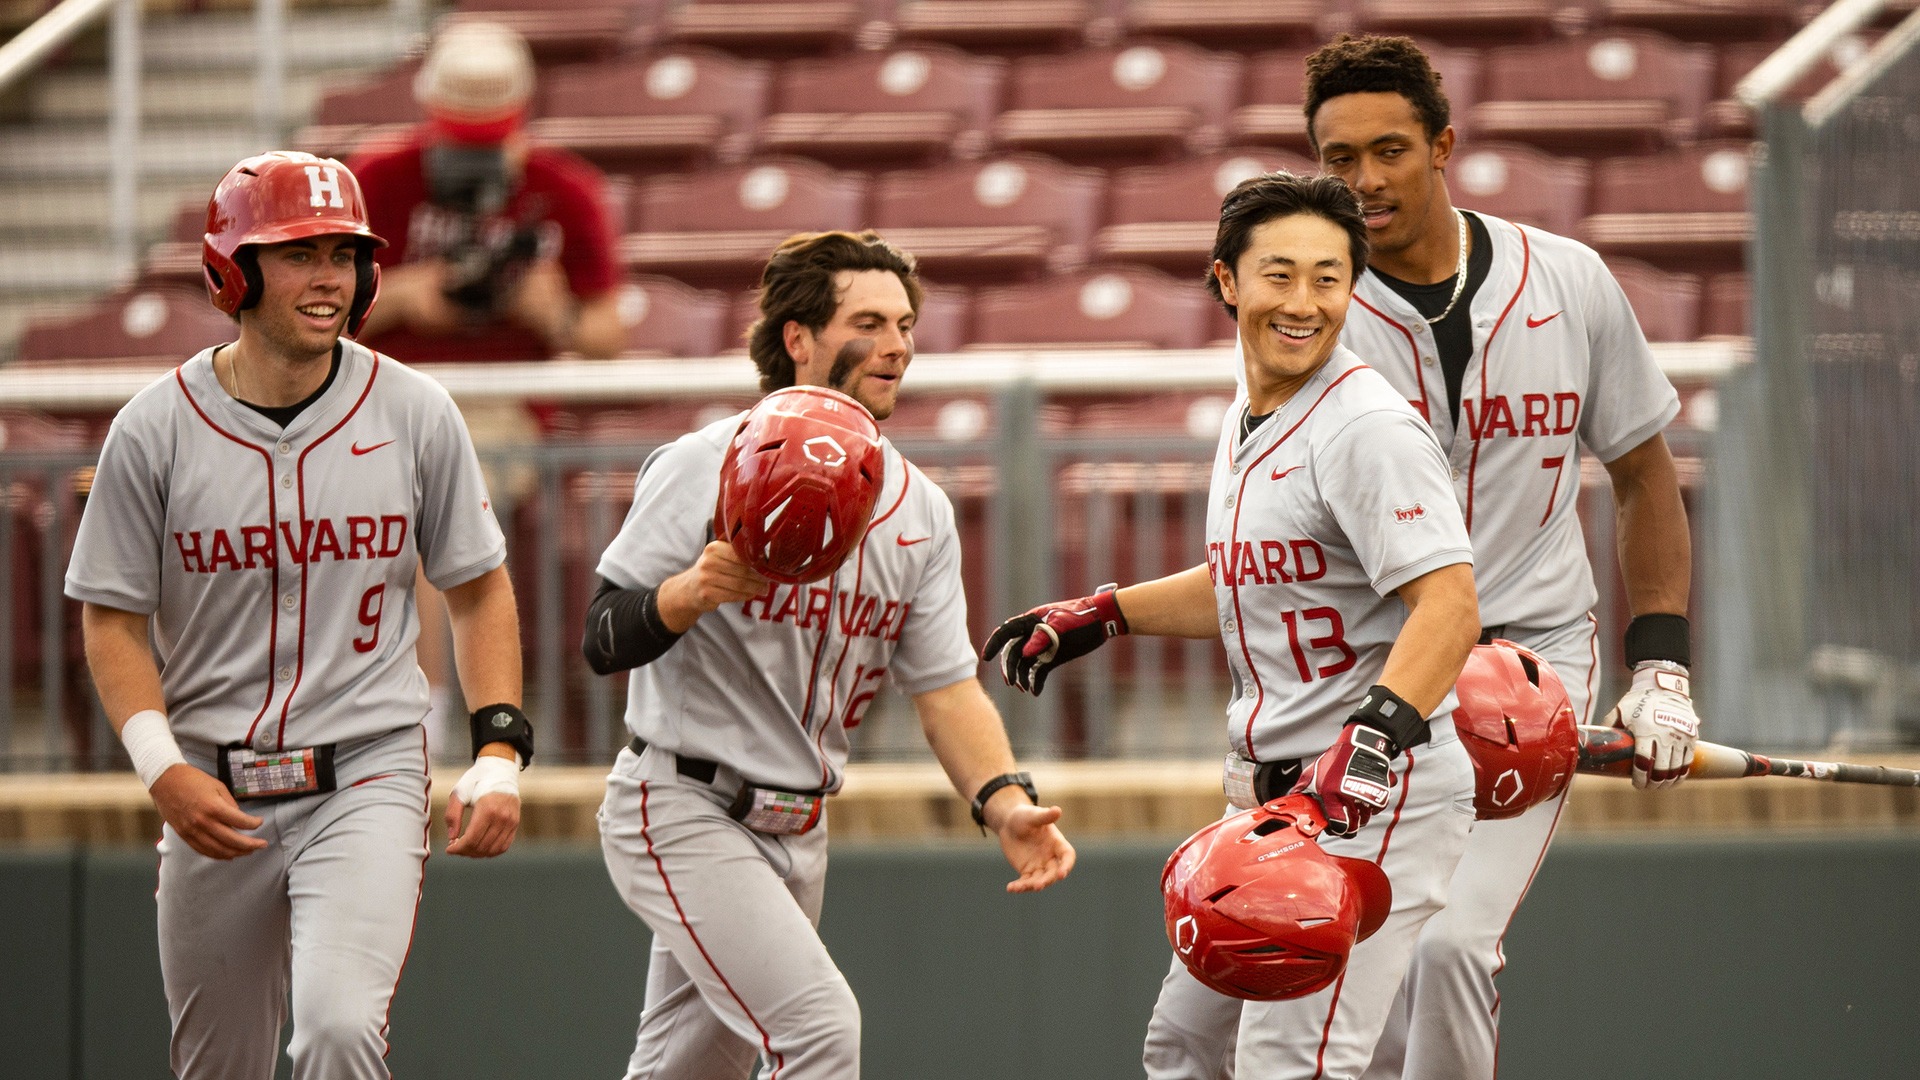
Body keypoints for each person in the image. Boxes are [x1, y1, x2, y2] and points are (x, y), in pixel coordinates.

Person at [1140, 35, 1704, 1080]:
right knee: (1323, 969)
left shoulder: (1568, 279)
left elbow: (1641, 471)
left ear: (1444, 146)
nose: (1364, 180)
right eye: (1339, 157)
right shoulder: (1315, 315)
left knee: (1448, 949)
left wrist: (1661, 660)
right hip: (1387, 674)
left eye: (1389, 150)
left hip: (1534, 668)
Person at [985, 172, 1482, 1076]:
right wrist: (1108, 613)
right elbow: (1252, 578)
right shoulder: (1251, 415)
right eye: (1279, 274)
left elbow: (1448, 603)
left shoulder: (1367, 426)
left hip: (1369, 800)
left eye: (1329, 278)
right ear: (1227, 279)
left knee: (1288, 1065)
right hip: (1270, 805)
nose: (1305, 302)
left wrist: (1369, 744)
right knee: (1184, 1046)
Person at [64, 150, 534, 1079]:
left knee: (336, 1029)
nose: (329, 278)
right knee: (218, 1065)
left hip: (366, 768)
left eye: (344, 255)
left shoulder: (414, 410)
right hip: (213, 782)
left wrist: (498, 748)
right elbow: (111, 616)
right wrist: (160, 767)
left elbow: (479, 586)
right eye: (298, 254)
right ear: (233, 271)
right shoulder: (153, 428)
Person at [584, 230, 1076, 1079]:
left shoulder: (918, 506)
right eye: (868, 323)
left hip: (800, 825)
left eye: (906, 325)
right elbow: (601, 634)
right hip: (685, 803)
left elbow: (946, 689)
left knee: (691, 1071)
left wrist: (1004, 800)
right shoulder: (708, 461)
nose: (897, 346)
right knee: (818, 1029)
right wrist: (687, 593)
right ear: (798, 338)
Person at [349, 20, 624, 363]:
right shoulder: (376, 178)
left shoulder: (566, 190)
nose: (474, 153)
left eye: (489, 138)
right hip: (397, 382)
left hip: (513, 388)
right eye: (461, 136)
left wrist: (558, 315)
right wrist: (398, 297)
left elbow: (610, 338)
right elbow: (314, 320)